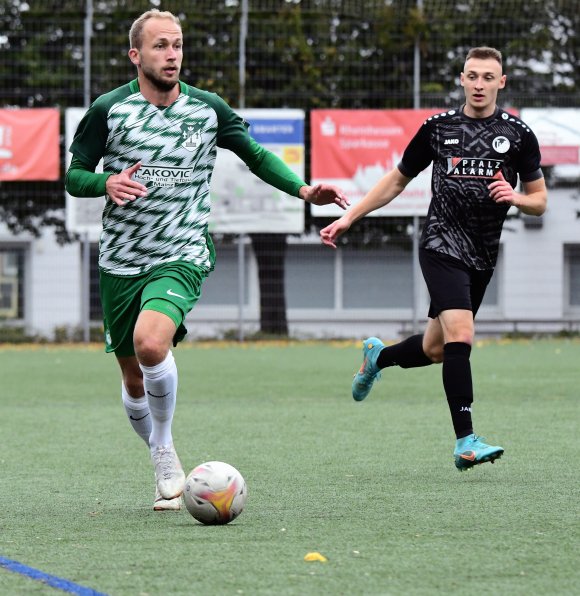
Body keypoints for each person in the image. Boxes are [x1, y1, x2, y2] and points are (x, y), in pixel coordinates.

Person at [65, 9, 349, 510]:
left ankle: (165, 449)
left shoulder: (207, 108)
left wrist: (305, 190)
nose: (171, 54)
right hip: (121, 260)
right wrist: (104, 182)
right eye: (159, 46)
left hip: (182, 252)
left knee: (152, 345)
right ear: (136, 55)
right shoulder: (109, 109)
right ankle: (159, 449)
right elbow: (74, 175)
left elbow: (256, 156)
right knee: (133, 380)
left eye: (176, 45)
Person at [320, 47, 547, 471]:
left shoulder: (518, 134)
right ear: (461, 78)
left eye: (488, 77)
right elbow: (395, 181)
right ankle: (466, 441)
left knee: (437, 348)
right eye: (472, 76)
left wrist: (515, 197)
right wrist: (350, 216)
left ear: (502, 82)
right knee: (462, 331)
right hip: (441, 244)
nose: (479, 84)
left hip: (482, 253)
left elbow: (540, 202)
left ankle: (378, 358)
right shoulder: (439, 128)